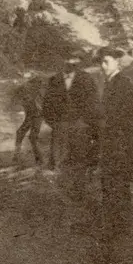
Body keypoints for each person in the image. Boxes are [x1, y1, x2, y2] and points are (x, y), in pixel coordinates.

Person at [97, 47, 133, 240]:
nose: (103, 66)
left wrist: (108, 123)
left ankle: (118, 228)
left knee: (117, 183)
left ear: (117, 62)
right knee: (110, 183)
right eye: (101, 62)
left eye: (106, 62)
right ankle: (113, 226)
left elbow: (130, 111)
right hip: (111, 141)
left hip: (120, 142)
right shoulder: (109, 83)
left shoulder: (122, 83)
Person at [42, 52, 100, 190]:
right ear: (61, 61)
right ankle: (62, 191)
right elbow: (47, 105)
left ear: (79, 61)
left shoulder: (86, 79)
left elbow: (93, 103)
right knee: (60, 160)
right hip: (60, 127)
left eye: (74, 59)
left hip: (81, 127)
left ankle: (79, 190)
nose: (70, 62)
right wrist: (55, 123)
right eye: (67, 59)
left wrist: (87, 124)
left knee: (79, 159)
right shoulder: (54, 80)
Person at [11, 72, 44, 168]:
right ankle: (17, 156)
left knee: (32, 137)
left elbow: (40, 105)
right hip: (31, 115)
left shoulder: (35, 90)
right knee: (20, 133)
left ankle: (40, 159)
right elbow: (17, 97)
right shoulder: (25, 89)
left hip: (37, 116)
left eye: (28, 80)